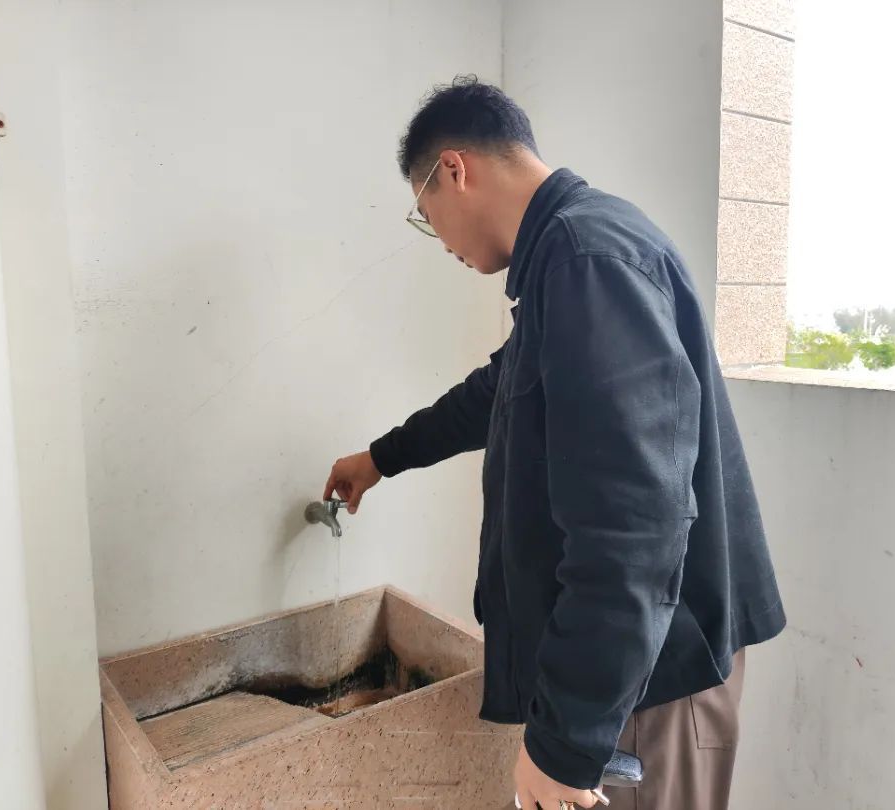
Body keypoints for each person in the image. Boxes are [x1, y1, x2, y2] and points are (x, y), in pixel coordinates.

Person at [323, 75, 785, 810]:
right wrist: (381, 458)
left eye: (427, 216)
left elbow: (634, 526)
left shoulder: (584, 259)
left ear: (454, 170)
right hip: (641, 663)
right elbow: (497, 392)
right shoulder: (570, 254)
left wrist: (567, 744)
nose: (440, 242)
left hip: (652, 677)